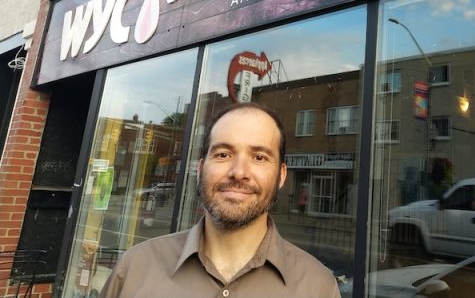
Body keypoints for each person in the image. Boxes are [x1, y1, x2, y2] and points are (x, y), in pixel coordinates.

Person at [101, 102, 340, 297]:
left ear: (281, 176)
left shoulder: (318, 287)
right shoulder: (134, 268)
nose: (239, 171)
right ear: (201, 169)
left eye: (259, 157)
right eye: (223, 154)